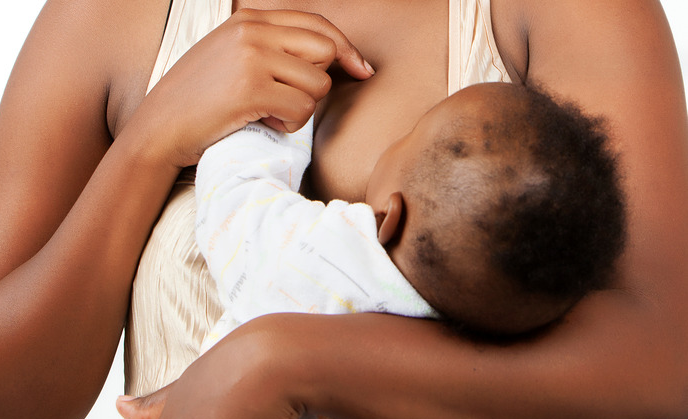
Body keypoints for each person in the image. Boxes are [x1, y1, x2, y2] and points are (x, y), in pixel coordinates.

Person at [0, 0, 688, 419]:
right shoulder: (111, 20)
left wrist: (284, 361)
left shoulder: (558, 9)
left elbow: (664, 363)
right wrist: (152, 143)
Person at [195, 82, 625, 352]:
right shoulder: (479, 342)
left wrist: (284, 116)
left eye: (408, 133)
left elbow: (233, 196)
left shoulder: (328, 261)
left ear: (389, 215)